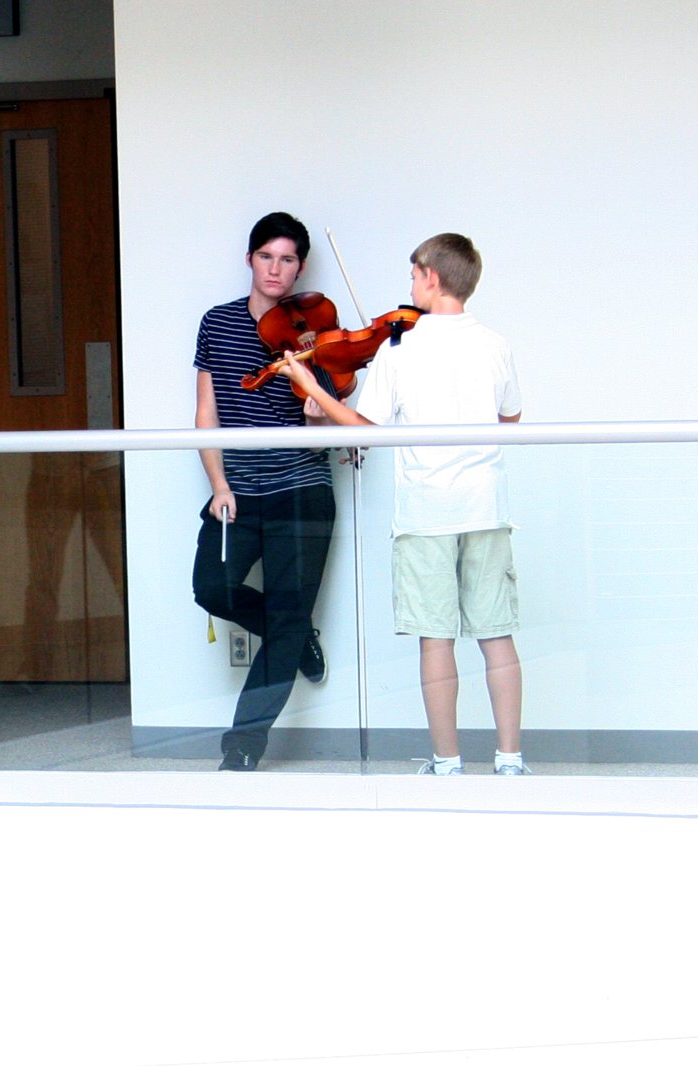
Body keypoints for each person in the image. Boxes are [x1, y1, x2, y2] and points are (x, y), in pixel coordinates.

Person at [277, 233, 525, 775]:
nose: (410, 286)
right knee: (496, 636)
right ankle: (510, 760)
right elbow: (510, 419)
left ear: (432, 278)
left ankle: (446, 763)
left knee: (436, 640)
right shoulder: (495, 344)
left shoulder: (400, 350)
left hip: (425, 512)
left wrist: (310, 385)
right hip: (486, 507)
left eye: (414, 276)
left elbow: (364, 430)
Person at [192, 212, 337, 771]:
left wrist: (315, 411)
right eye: (266, 257)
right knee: (212, 588)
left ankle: (244, 745)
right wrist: (218, 485)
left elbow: (327, 419)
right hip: (238, 491)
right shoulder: (218, 322)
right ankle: (297, 636)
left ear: (301, 267)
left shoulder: (315, 334)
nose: (276, 269)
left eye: (288, 259)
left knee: (286, 610)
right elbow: (207, 413)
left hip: (301, 488)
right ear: (250, 260)